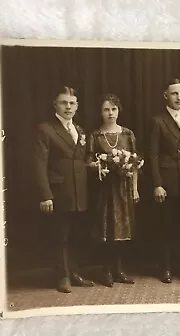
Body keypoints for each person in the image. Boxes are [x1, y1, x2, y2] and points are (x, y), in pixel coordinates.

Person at [33, 86, 94, 293]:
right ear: (55, 105)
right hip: (59, 192)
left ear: (77, 106)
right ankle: (62, 276)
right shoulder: (46, 129)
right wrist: (46, 195)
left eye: (72, 103)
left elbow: (81, 160)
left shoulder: (81, 130)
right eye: (64, 103)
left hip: (80, 192)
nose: (68, 107)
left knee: (76, 234)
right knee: (60, 236)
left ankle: (74, 272)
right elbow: (39, 164)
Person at [88, 94, 140, 287]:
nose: (110, 113)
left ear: (119, 111)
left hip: (124, 188)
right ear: (101, 112)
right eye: (106, 109)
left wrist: (134, 189)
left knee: (123, 231)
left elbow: (135, 163)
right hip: (105, 189)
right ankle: (106, 270)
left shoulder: (127, 134)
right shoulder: (96, 136)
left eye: (114, 109)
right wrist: (101, 164)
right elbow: (89, 162)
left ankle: (119, 269)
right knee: (107, 230)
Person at [149, 78, 180, 283]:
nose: (179, 97)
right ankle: (165, 267)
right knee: (165, 225)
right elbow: (153, 155)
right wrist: (157, 183)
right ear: (166, 96)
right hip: (167, 181)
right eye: (175, 93)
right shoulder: (157, 121)